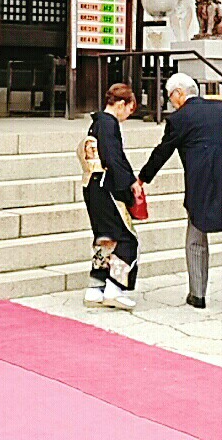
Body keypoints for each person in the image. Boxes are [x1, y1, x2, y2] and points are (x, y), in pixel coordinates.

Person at [138, 73, 222, 319]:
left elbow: (162, 151)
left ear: (179, 93)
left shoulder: (179, 119)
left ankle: (197, 294)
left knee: (196, 236)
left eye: (170, 97)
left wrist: (142, 178)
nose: (171, 102)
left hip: (202, 182)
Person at [80, 83, 143, 310]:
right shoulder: (108, 124)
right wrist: (130, 186)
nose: (128, 115)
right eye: (129, 109)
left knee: (104, 237)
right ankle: (115, 289)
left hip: (93, 184)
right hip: (106, 186)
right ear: (121, 104)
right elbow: (113, 158)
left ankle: (95, 288)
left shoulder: (98, 123)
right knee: (125, 237)